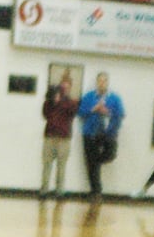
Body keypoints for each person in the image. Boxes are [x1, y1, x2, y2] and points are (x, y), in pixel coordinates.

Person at [76, 73, 124, 201]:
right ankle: (96, 192)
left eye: (104, 81)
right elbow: (80, 113)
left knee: (109, 155)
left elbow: (121, 115)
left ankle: (95, 163)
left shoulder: (114, 98)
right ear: (96, 82)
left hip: (108, 134)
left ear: (107, 82)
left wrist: (107, 112)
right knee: (91, 164)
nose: (102, 83)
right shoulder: (88, 96)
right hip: (90, 133)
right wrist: (94, 109)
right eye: (100, 81)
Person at [39, 71, 79, 197]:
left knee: (62, 165)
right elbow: (45, 114)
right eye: (63, 86)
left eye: (68, 86)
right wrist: (52, 101)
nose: (65, 88)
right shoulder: (49, 101)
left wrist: (61, 101)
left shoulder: (72, 102)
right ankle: (44, 189)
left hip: (64, 137)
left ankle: (59, 191)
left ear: (71, 87)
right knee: (47, 163)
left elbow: (72, 112)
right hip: (50, 135)